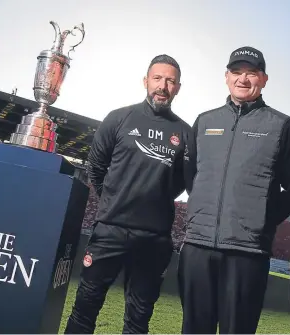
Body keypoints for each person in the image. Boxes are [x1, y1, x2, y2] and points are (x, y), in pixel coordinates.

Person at [178, 46, 290, 334]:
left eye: (251, 73)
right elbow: (191, 176)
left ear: (264, 79)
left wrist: (261, 219)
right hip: (197, 247)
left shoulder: (280, 125)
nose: (243, 79)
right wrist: (201, 206)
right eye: (237, 72)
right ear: (226, 77)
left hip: (247, 253)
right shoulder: (205, 121)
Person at [64, 54, 193, 334]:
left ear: (178, 88)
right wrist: (114, 198)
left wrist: (153, 196)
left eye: (170, 81)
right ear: (145, 81)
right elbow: (96, 168)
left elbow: (181, 184)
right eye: (157, 78)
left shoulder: (185, 133)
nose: (163, 86)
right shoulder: (119, 118)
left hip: (153, 239)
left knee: (138, 320)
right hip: (110, 231)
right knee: (85, 307)